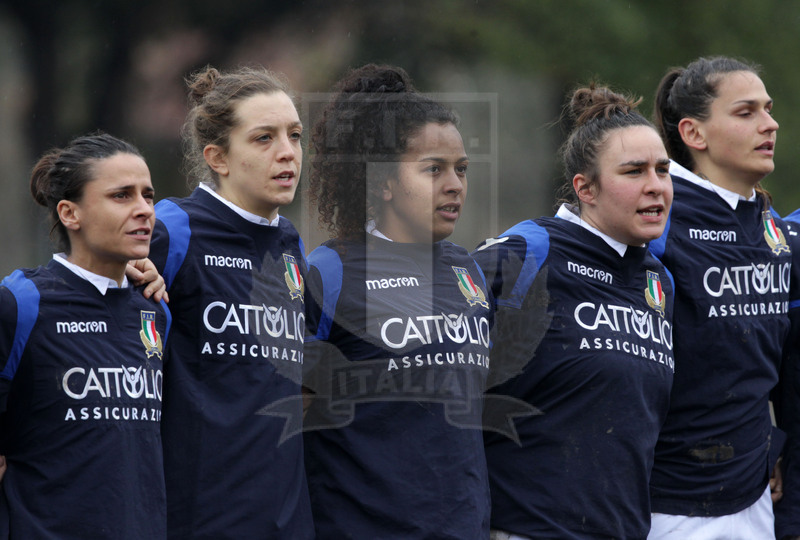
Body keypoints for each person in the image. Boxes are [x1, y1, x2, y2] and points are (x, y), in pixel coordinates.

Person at [472, 84, 675, 539]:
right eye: (634, 171)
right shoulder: (526, 254)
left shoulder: (658, 281)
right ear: (585, 188)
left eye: (663, 170)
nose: (656, 186)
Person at [302, 64, 492, 539]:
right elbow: (291, 413)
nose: (455, 185)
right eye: (434, 169)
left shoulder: (467, 271)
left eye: (462, 169)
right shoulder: (331, 271)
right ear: (383, 182)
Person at [148, 66, 313, 539]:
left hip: (285, 520)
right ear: (217, 157)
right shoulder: (172, 229)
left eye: (295, 136)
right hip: (199, 517)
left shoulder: (289, 244)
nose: (288, 153)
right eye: (264, 138)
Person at [0, 132, 171, 539]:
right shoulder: (22, 302)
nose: (145, 210)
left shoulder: (156, 309)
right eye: (121, 196)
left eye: (148, 195)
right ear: (69, 213)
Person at [647, 55, 790, 539]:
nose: (770, 124)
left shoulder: (770, 226)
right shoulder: (656, 217)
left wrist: (774, 446)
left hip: (752, 497)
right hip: (666, 501)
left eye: (768, 110)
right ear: (694, 134)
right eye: (746, 112)